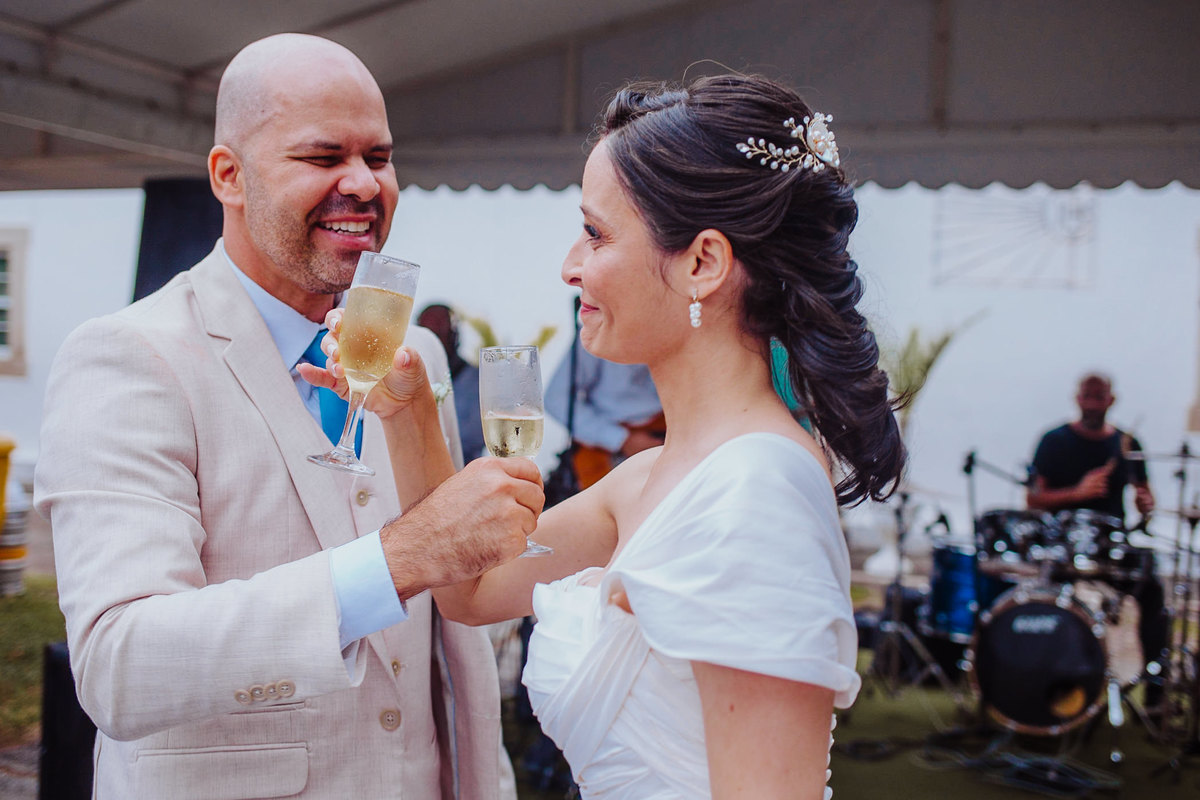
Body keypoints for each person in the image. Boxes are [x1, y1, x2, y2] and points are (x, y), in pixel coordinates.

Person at [311, 73, 905, 798]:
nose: (570, 267)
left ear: (702, 263)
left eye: (595, 234)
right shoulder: (650, 476)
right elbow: (470, 588)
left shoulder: (755, 492)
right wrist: (406, 412)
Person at [34, 33, 539, 799]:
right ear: (229, 176)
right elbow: (121, 664)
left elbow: (446, 654)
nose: (364, 184)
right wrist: (399, 559)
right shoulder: (128, 356)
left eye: (379, 157)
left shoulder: (418, 362)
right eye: (323, 156)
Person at [1027, 372, 1168, 707]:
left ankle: (1155, 690)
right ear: (1077, 399)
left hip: (1114, 548)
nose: (1092, 404)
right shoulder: (1054, 441)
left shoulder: (1127, 444)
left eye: (1098, 396)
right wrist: (1078, 492)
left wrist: (1146, 506)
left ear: (1111, 400)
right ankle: (1042, 677)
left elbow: (1144, 497)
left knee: (1154, 590)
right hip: (1063, 548)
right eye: (1087, 396)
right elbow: (1033, 499)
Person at [545, 330, 664, 489]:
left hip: (669, 433)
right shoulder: (597, 329)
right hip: (609, 447)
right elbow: (557, 398)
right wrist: (620, 438)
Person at [418, 303, 485, 463]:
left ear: (455, 336)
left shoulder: (478, 382)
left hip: (464, 475)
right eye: (427, 335)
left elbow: (471, 440)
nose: (434, 343)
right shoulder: (407, 378)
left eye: (440, 333)